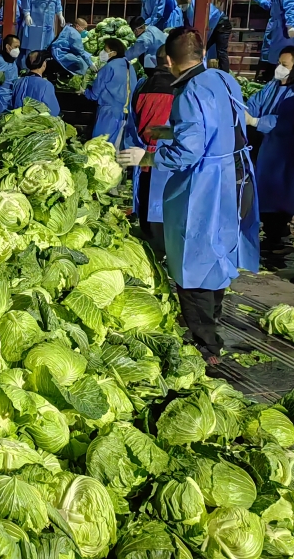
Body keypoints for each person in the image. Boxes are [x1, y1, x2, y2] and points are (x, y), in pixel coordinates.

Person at [117, 30, 259, 365]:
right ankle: (212, 321)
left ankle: (206, 345)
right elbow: (222, 126)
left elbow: (190, 150)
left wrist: (145, 156)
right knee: (217, 255)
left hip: (205, 188)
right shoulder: (223, 79)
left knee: (191, 263)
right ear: (204, 52)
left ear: (167, 60)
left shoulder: (188, 90)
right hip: (235, 180)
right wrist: (166, 132)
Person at [245, 46, 294, 253]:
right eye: (279, 64)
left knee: (278, 196)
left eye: (284, 65)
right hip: (267, 147)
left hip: (283, 150)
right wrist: (246, 111)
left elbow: (285, 123)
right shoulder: (273, 86)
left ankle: (276, 235)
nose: (279, 69)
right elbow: (256, 101)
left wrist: (256, 121)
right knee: (266, 193)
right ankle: (272, 234)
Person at [123, 43, 176, 259]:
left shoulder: (143, 85)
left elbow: (132, 124)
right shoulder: (181, 89)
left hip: (143, 155)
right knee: (167, 208)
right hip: (169, 158)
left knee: (146, 205)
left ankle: (151, 254)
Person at [86, 37, 137, 146]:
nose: (102, 52)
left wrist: (84, 91)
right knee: (116, 148)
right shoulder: (130, 67)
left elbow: (94, 95)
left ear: (113, 53)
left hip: (108, 114)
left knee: (99, 147)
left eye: (105, 50)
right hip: (127, 114)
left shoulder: (109, 67)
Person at [186, 0, 232, 73]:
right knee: (203, 48)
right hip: (216, 24)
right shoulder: (193, 5)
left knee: (221, 51)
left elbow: (210, 19)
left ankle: (225, 74)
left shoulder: (196, 4)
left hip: (221, 24)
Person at [11, 51, 60, 115]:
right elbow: (54, 111)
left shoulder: (18, 82)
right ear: (43, 64)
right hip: (37, 123)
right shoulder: (46, 85)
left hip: (18, 121)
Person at [0, 35, 21, 116]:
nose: (18, 50)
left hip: (10, 97)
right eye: (16, 47)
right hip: (0, 99)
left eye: (19, 47)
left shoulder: (12, 60)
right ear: (8, 47)